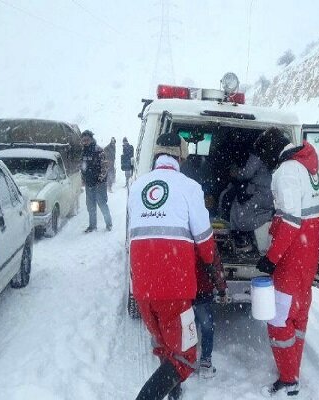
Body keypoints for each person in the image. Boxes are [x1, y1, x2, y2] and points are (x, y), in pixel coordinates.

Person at [128, 132, 215, 400]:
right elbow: (204, 238)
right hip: (175, 289)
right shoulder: (189, 187)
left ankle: (173, 391)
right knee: (186, 357)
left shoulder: (137, 186)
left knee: (166, 346)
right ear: (181, 156)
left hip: (143, 288)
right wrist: (210, 266)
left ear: (156, 155)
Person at [252, 127, 319, 398]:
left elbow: (291, 221)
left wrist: (270, 259)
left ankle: (289, 380)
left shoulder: (286, 172)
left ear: (271, 152)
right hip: (308, 257)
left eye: (264, 157)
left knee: (279, 319)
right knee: (299, 317)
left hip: (291, 260)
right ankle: (293, 369)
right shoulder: (308, 166)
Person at [228, 151, 273, 254]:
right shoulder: (270, 155)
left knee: (239, 211)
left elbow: (247, 174)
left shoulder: (258, 155)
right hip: (269, 194)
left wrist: (236, 173)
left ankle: (244, 240)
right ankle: (248, 238)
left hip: (261, 193)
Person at [194, 243, 228, 379]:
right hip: (202, 291)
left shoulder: (181, 236)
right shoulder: (206, 240)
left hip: (184, 291)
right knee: (207, 327)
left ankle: (185, 360)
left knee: (187, 327)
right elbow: (215, 267)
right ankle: (205, 362)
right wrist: (221, 289)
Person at [80, 130, 112, 233]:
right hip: (89, 183)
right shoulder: (83, 151)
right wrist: (83, 178)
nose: (85, 142)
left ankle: (109, 224)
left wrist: (100, 178)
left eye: (87, 140)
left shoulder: (99, 150)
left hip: (99, 183)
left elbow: (105, 166)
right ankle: (92, 226)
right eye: (83, 140)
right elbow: (83, 166)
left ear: (91, 139)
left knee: (102, 203)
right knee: (90, 206)